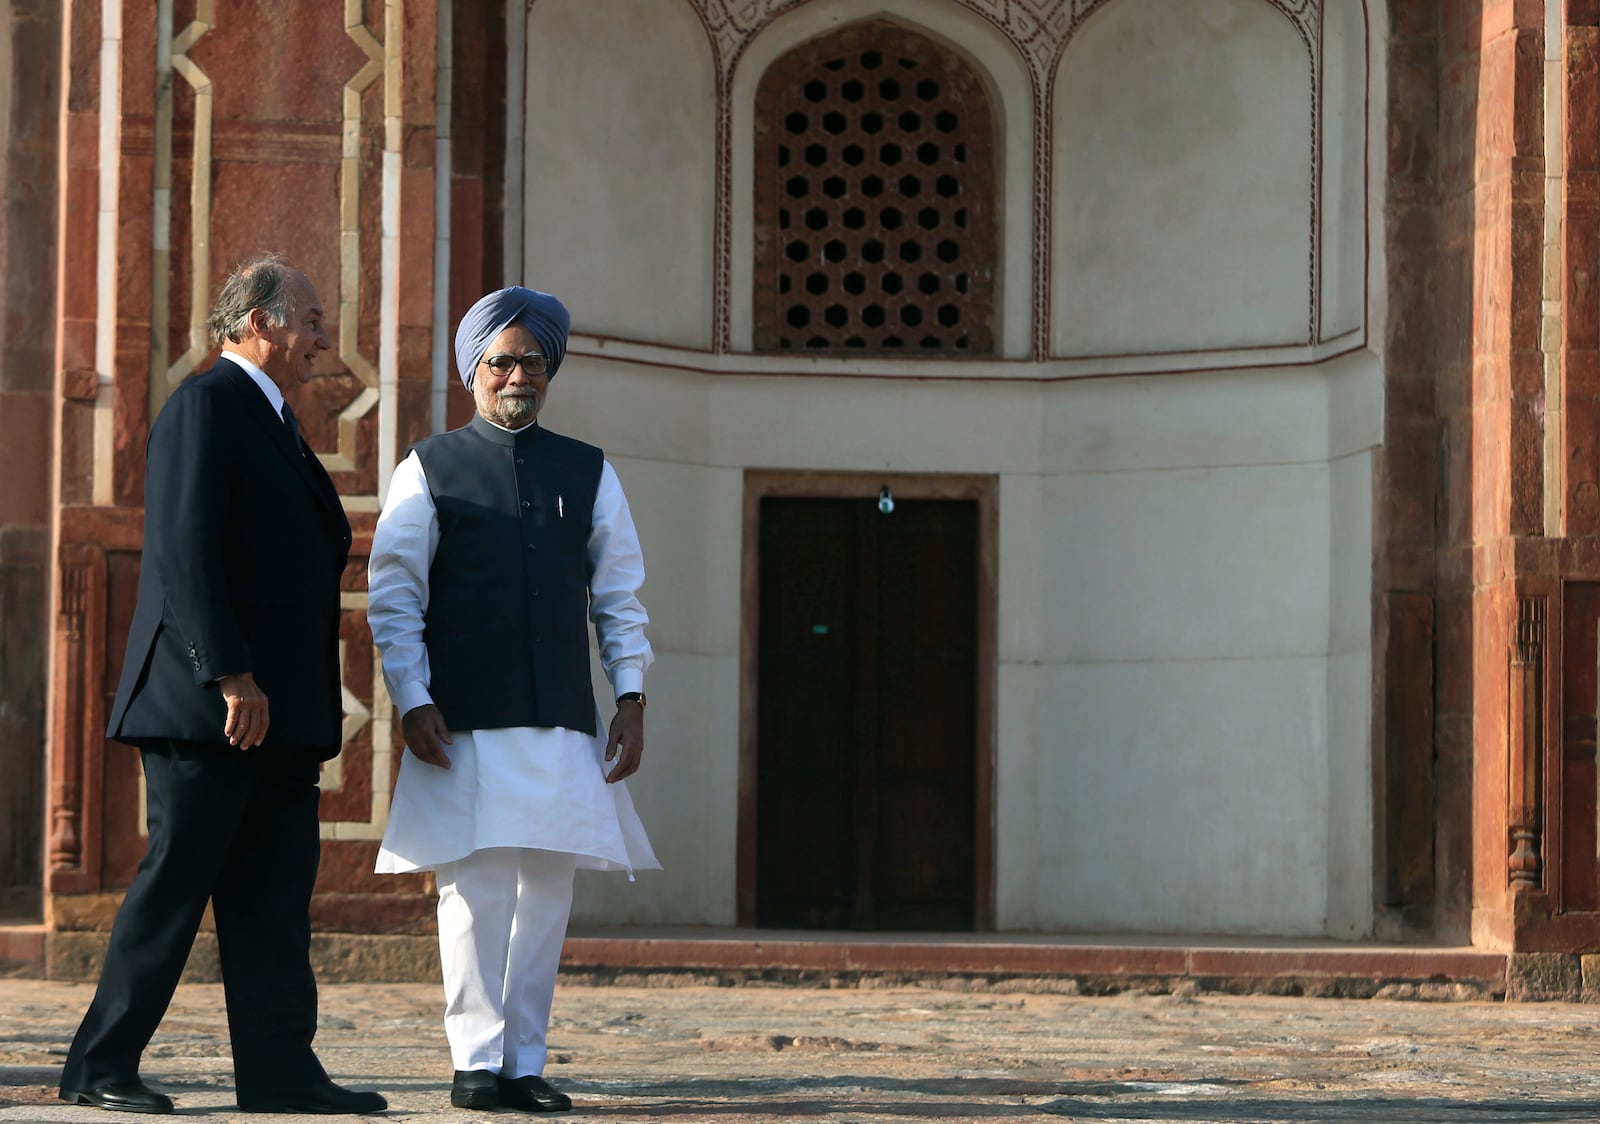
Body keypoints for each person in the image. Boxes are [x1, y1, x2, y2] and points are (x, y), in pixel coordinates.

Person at [59, 254, 387, 1116]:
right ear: (259, 322)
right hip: (214, 710)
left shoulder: (272, 420)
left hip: (279, 719)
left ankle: (280, 1072)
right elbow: (186, 549)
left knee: (274, 904)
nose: (322, 338)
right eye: (310, 319)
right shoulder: (207, 404)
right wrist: (231, 675)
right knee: (174, 888)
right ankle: (100, 1066)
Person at [368, 286, 658, 1114]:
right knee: (476, 894)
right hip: (463, 723)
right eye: (501, 360)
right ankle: (475, 1062)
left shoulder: (588, 470)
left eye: (532, 360)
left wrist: (631, 696)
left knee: (546, 897)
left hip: (564, 723)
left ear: (550, 370)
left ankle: (525, 1061)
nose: (517, 374)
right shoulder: (429, 468)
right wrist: (412, 696)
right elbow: (394, 595)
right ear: (474, 372)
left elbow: (620, 595)